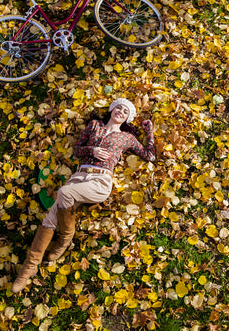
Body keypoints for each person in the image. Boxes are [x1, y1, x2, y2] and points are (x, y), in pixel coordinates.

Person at [11, 98, 156, 293]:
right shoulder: (94, 125)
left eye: (125, 111)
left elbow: (150, 156)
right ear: (112, 110)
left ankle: (65, 238)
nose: (120, 111)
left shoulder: (126, 138)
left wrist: (149, 132)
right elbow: (77, 150)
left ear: (127, 118)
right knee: (49, 219)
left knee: (64, 192)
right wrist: (92, 150)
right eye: (118, 108)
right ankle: (28, 269)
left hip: (100, 182)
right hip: (79, 176)